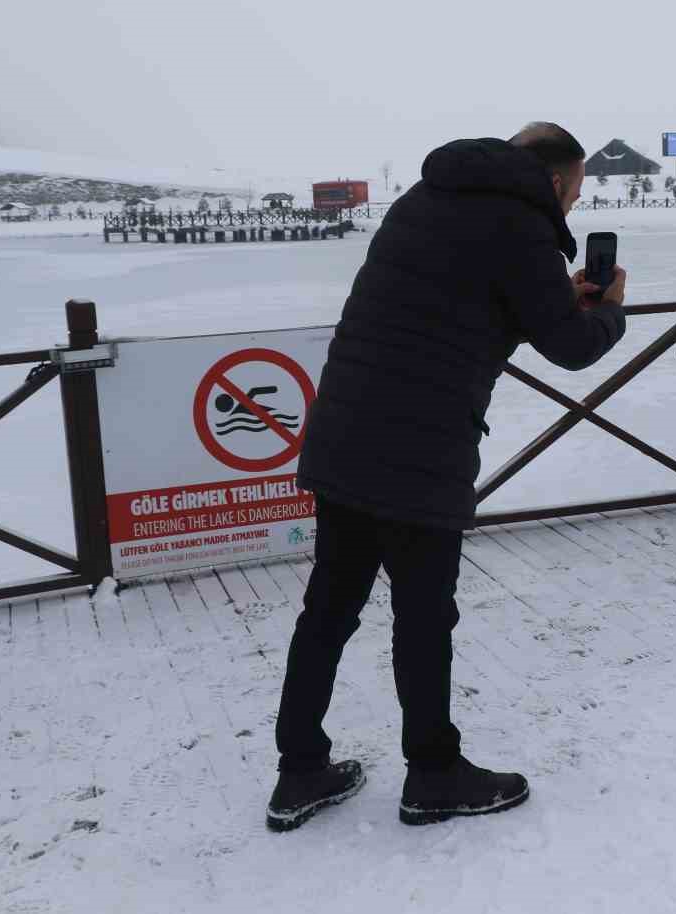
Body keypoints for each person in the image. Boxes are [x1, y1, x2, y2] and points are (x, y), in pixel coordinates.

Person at [266, 122, 628, 831]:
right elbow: (571, 345)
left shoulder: (423, 198)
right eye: (577, 194)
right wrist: (609, 311)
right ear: (555, 182)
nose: (572, 209)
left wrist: (552, 295)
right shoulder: (523, 225)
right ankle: (433, 774)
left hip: (344, 430)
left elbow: (457, 304)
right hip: (421, 448)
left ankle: (299, 771)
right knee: (424, 617)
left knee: (329, 611)